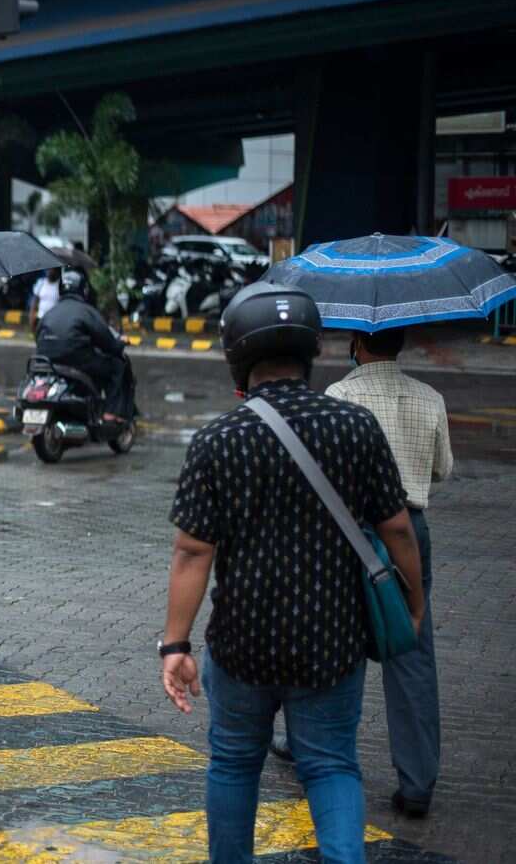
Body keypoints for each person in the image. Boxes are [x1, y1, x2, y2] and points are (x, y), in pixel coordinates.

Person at [159, 283, 425, 864]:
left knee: (233, 764)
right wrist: (415, 601)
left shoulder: (218, 440)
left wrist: (175, 643)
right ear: (310, 353)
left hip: (240, 645)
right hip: (331, 642)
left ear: (238, 356)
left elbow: (192, 552)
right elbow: (398, 528)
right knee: (331, 765)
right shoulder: (354, 427)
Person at [271, 328, 449, 818]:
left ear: (357, 342)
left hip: (351, 532)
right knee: (412, 648)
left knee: (330, 641)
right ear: (404, 342)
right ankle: (417, 782)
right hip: (410, 532)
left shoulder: (340, 396)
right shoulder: (431, 398)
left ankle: (308, 745)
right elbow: (441, 470)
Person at [33, 269, 135, 421]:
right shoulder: (87, 311)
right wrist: (119, 343)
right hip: (77, 361)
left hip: (47, 360)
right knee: (117, 366)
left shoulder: (50, 312)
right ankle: (112, 413)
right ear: (84, 289)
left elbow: (37, 334)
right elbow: (107, 341)